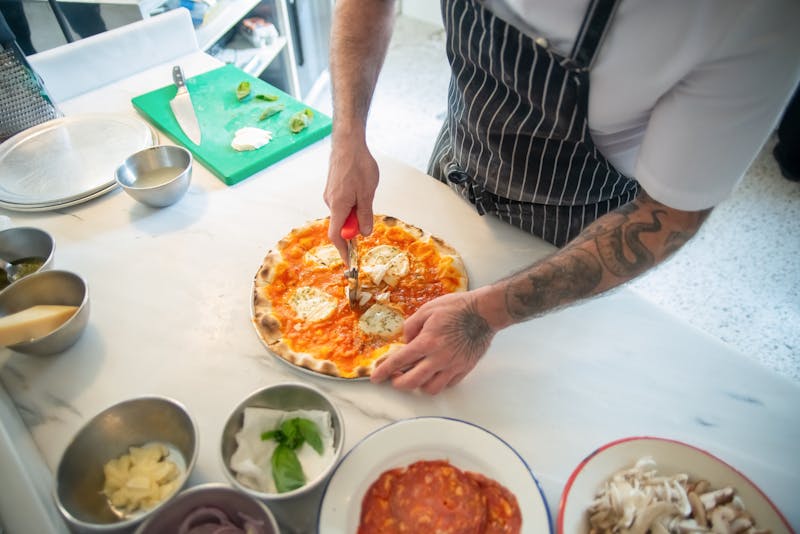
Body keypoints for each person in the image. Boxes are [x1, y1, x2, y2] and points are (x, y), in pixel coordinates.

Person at [323, 0, 800, 395]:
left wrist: (486, 314)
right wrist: (348, 134)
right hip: (459, 155)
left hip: (572, 233)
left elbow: (671, 215)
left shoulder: (753, 19)